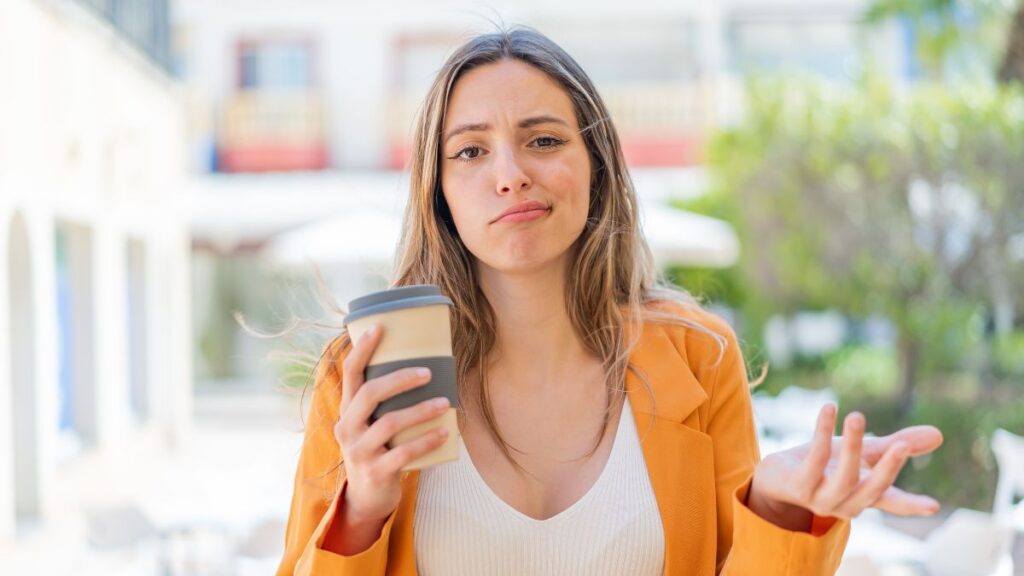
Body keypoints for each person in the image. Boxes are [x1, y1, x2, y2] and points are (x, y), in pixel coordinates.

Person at [276, 26, 944, 576]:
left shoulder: (699, 357)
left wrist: (775, 507)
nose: (510, 176)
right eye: (471, 151)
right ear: (438, 191)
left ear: (597, 166)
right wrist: (362, 509)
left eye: (543, 140)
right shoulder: (367, 375)